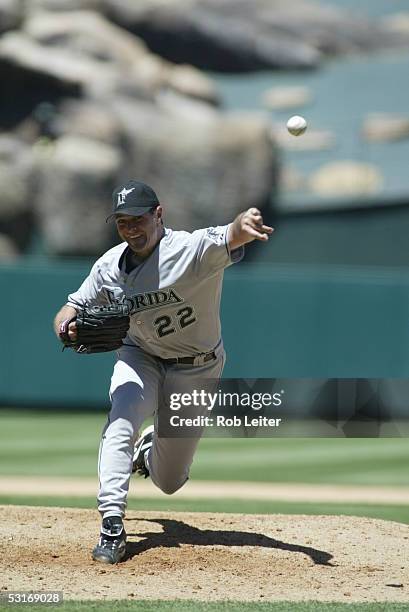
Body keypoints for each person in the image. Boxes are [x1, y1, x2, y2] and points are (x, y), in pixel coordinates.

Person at [53, 179, 273, 564]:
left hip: (198, 365)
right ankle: (111, 526)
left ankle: (151, 447)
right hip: (140, 356)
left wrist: (245, 222)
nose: (131, 228)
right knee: (122, 419)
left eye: (138, 219)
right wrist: (64, 324)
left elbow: (231, 233)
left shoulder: (190, 250)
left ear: (158, 214)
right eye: (123, 222)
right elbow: (71, 305)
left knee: (169, 481)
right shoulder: (108, 266)